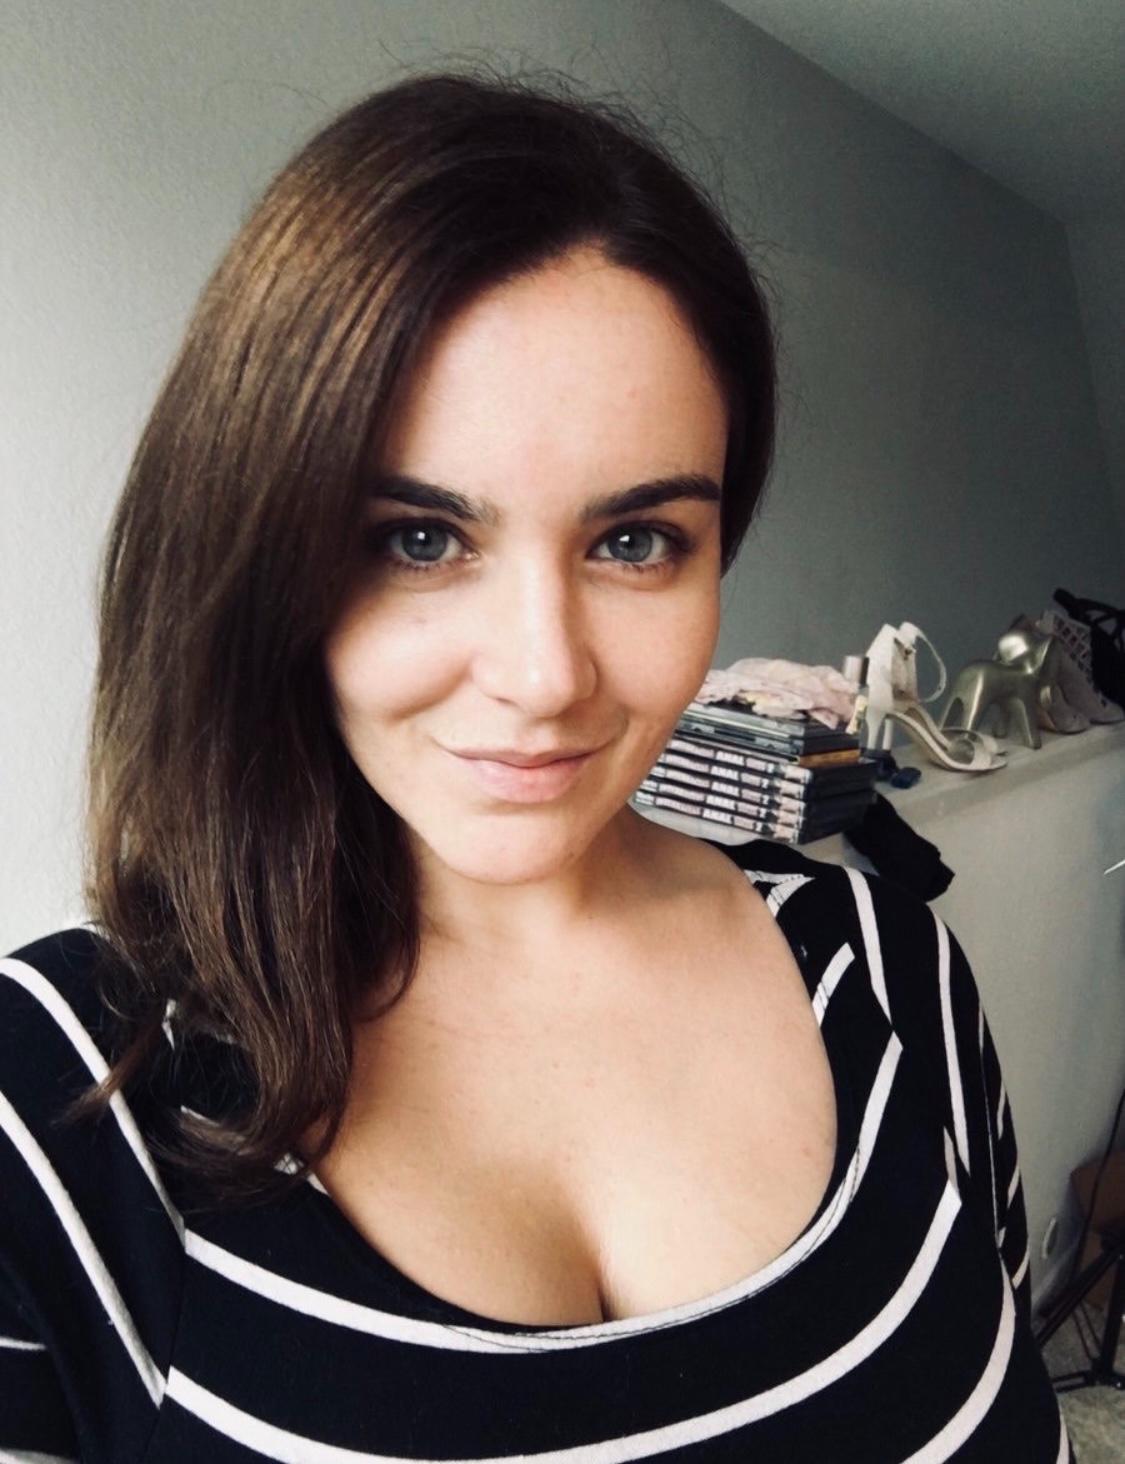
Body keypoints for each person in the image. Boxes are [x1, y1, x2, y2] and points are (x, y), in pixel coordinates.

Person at [0, 65, 1073, 1462]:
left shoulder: (888, 970)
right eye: (420, 539)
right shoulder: (53, 1095)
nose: (547, 673)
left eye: (634, 542)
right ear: (255, 549)